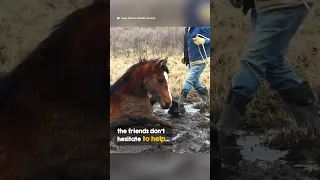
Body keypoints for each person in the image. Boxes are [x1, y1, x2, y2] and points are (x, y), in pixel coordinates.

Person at [216, 0, 319, 146]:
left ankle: (222, 134)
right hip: (264, 6)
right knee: (273, 65)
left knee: (253, 62)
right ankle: (312, 123)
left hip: (283, 5)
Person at [169, 27, 210, 116]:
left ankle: (179, 105)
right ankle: (207, 101)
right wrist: (186, 56)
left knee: (189, 80)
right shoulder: (187, 28)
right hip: (191, 60)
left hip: (201, 60)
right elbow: (187, 44)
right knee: (195, 81)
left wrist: (203, 41)